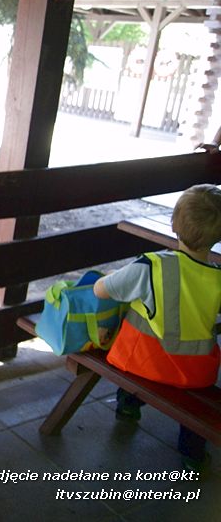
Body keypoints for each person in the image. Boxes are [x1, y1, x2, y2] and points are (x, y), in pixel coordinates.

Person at [94, 184, 221, 471]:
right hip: (197, 374)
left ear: (173, 222)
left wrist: (109, 278)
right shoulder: (218, 278)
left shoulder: (151, 266)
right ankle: (192, 454)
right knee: (194, 406)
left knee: (130, 339)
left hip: (142, 364)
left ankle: (127, 405)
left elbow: (103, 291)